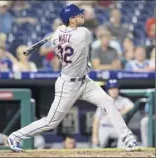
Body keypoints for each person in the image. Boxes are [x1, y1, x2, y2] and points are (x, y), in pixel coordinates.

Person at [7, 4, 139, 152]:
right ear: (71, 19)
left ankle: (128, 138)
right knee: (50, 122)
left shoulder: (57, 33)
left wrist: (61, 31)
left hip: (84, 81)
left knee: (108, 102)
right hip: (67, 86)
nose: (82, 16)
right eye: (78, 15)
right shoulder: (82, 34)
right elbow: (91, 29)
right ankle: (15, 136)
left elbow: (64, 34)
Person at [92, 79, 134, 148]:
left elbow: (131, 106)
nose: (114, 91)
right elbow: (96, 120)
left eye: (115, 88)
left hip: (117, 128)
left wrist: (119, 113)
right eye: (111, 89)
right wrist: (94, 136)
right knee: (97, 147)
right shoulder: (103, 101)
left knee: (125, 138)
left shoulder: (123, 100)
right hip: (104, 127)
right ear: (108, 90)